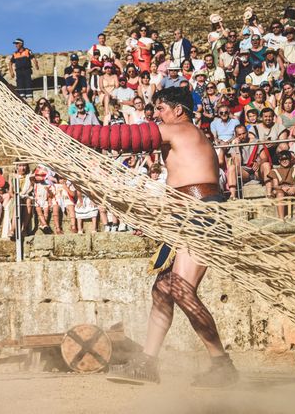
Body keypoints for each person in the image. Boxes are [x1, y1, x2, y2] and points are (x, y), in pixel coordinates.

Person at [106, 86, 237, 387]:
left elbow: (125, 139)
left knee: (178, 288)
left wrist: (67, 134)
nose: (156, 115)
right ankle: (148, 363)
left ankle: (221, 365)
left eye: (161, 108)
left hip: (201, 216)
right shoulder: (183, 133)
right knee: (163, 288)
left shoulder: (181, 130)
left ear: (179, 110)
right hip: (188, 218)